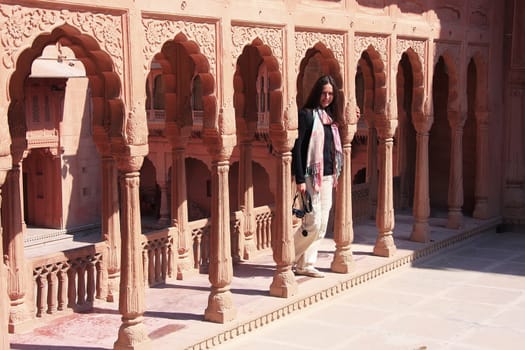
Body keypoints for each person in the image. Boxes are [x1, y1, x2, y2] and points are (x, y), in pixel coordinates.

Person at [291, 75, 343, 278]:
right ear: (317, 93)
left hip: (328, 177)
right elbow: (298, 149)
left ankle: (306, 264)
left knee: (322, 223)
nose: (327, 97)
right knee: (313, 222)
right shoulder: (307, 115)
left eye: (330, 94)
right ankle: (288, 255)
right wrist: (300, 179)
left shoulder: (330, 118)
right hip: (311, 177)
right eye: (324, 93)